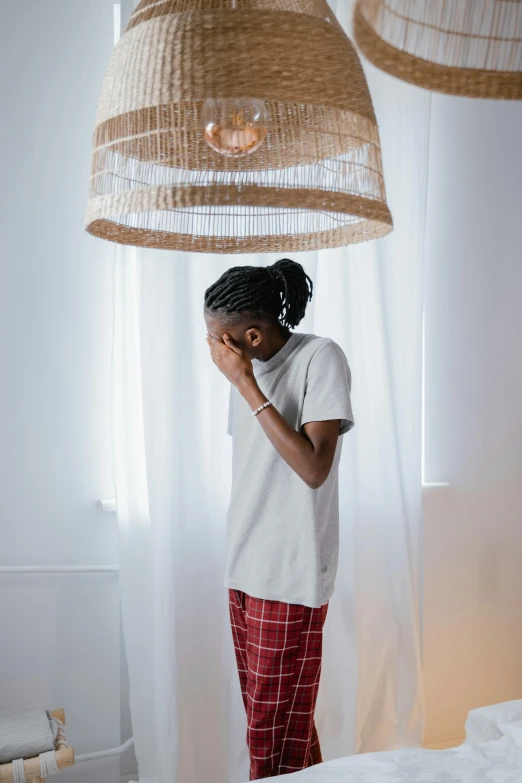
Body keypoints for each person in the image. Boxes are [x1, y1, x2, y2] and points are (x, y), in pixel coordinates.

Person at [204, 258, 354, 780]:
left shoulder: (320, 358)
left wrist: (247, 385)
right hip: (244, 568)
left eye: (217, 339)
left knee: (271, 741)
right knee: (282, 728)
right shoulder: (244, 372)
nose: (212, 350)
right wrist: (245, 381)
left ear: (247, 335)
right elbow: (256, 473)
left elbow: (314, 467)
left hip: (288, 575)